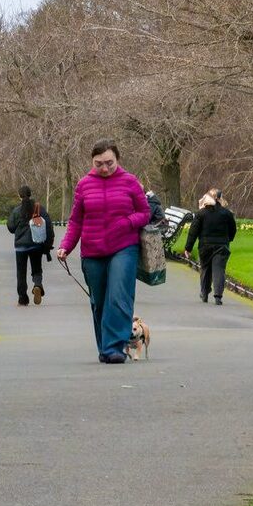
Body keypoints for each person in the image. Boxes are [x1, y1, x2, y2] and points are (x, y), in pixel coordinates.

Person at [56, 141, 151, 364]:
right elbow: (76, 220)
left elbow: (145, 213)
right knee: (98, 301)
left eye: (109, 163)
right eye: (99, 164)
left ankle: (115, 347)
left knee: (118, 297)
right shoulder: (84, 185)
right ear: (92, 162)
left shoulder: (130, 182)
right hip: (92, 252)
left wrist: (126, 222)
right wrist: (65, 246)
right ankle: (104, 347)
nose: (105, 168)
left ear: (118, 160)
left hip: (124, 247)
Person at [184, 188, 237, 304]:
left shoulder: (201, 213)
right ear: (220, 198)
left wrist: (188, 248)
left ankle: (204, 292)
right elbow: (233, 229)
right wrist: (229, 239)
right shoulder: (227, 213)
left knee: (205, 268)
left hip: (205, 245)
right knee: (219, 269)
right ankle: (218, 296)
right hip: (222, 245)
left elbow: (193, 232)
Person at [6, 185, 51, 306]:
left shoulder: (16, 211)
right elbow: (48, 226)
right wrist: (48, 244)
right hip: (36, 244)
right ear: (30, 194)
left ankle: (23, 298)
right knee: (36, 268)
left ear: (19, 196)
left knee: (21, 272)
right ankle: (37, 285)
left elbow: (10, 227)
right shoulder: (38, 209)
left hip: (20, 247)